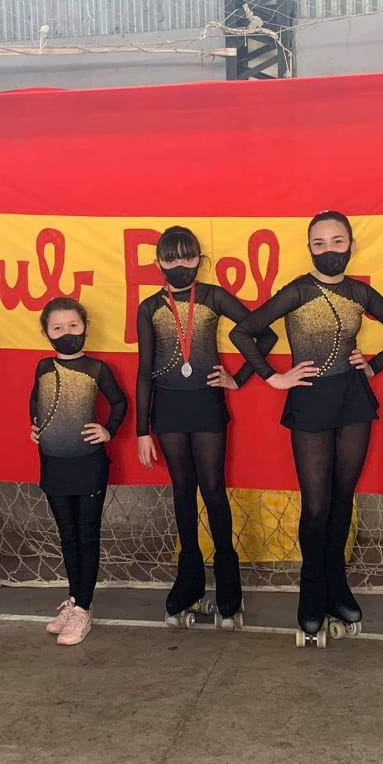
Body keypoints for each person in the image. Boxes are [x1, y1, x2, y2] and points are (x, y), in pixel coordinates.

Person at [230, 211, 383, 644]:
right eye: (319, 243)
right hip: (310, 399)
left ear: (350, 245)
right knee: (316, 506)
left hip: (352, 398)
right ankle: (311, 591)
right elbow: (244, 332)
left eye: (337, 241)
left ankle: (338, 586)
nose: (329, 250)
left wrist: (373, 365)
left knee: (342, 498)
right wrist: (274, 377)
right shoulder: (297, 290)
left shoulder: (359, 291)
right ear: (310, 248)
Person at [135, 226, 276, 627]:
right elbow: (144, 370)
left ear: (199, 259)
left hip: (207, 404)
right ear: (158, 263)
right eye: (170, 258)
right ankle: (188, 586)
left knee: (213, 490)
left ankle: (229, 592)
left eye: (187, 256)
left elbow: (263, 335)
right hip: (168, 408)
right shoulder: (150, 307)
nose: (179, 264)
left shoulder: (213, 297)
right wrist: (142, 429)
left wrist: (239, 378)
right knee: (183, 491)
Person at [31, 297, 127, 646]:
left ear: (85, 327)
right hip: (53, 463)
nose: (66, 333)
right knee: (67, 536)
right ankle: (74, 600)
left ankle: (83, 608)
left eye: (73, 325)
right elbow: (35, 399)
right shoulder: (43, 367)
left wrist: (108, 430)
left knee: (87, 535)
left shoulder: (96, 369)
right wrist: (35, 425)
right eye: (57, 328)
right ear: (46, 334)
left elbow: (120, 401)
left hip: (88, 464)